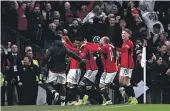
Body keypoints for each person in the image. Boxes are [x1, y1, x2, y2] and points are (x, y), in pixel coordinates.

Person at [41, 40, 84, 106]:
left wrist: (43, 63)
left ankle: (54, 92)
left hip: (53, 70)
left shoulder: (52, 48)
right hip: (62, 71)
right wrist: (80, 60)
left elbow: (46, 57)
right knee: (62, 85)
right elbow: (72, 54)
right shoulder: (64, 48)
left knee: (48, 84)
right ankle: (63, 101)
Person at [116, 28, 138, 104]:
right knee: (122, 82)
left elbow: (124, 50)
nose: (123, 34)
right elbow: (124, 53)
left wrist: (115, 48)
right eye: (122, 33)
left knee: (126, 82)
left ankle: (133, 98)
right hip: (123, 64)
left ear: (129, 35)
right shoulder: (124, 42)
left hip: (128, 65)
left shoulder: (129, 43)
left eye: (124, 33)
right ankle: (131, 97)